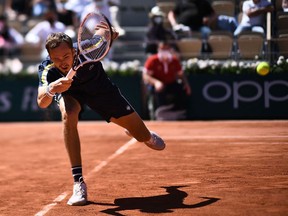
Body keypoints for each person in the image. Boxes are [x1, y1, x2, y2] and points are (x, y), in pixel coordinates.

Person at [36, 28, 166, 205]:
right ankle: (78, 183)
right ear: (50, 57)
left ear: (73, 50)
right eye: (56, 58)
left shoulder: (89, 49)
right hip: (70, 93)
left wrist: (108, 32)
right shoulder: (48, 69)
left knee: (143, 136)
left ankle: (144, 135)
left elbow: (103, 33)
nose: (62, 62)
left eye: (66, 56)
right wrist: (52, 89)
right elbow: (42, 102)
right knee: (69, 113)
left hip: (100, 90)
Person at [142, 42, 191, 120]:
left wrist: (187, 85)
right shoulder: (152, 60)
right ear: (158, 49)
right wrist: (156, 82)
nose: (164, 51)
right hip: (156, 85)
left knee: (181, 89)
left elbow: (181, 75)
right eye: (162, 49)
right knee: (159, 89)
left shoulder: (174, 60)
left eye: (166, 49)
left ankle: (179, 112)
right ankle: (161, 113)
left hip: (171, 83)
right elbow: (145, 76)